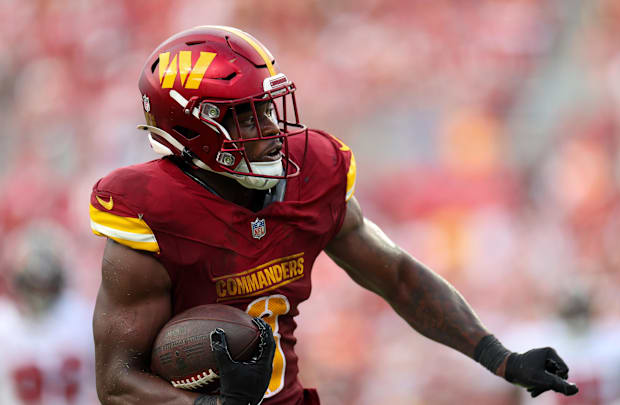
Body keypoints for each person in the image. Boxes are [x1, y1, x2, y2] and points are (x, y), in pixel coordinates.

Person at [89, 25, 579, 405]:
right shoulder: (151, 212)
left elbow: (399, 277)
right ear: (193, 128)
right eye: (246, 115)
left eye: (267, 107)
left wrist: (501, 358)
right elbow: (116, 384)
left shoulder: (311, 173)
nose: (270, 128)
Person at [0, 222, 97, 405]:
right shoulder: (85, 318)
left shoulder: (84, 318)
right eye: (33, 285)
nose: (39, 294)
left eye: (46, 285)